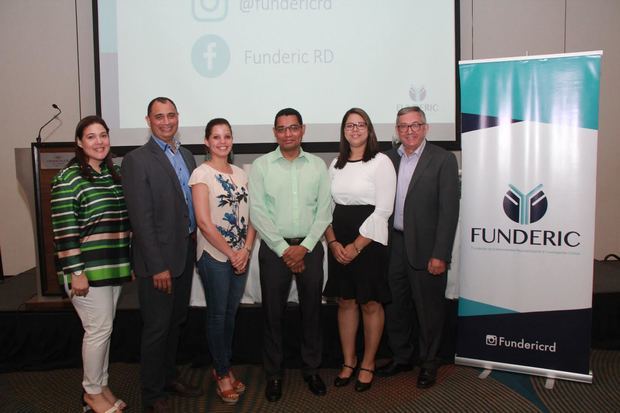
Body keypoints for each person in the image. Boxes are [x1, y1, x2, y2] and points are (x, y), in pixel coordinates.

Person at [121, 97, 202, 413]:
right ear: (148, 120)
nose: (166, 121)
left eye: (171, 115)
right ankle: (152, 395)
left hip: (184, 253)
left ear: (178, 117)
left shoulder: (187, 156)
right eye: (159, 117)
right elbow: (140, 220)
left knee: (175, 322)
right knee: (156, 328)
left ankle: (168, 378)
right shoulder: (137, 160)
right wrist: (157, 266)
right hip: (158, 263)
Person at [249, 108, 332, 402]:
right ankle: (274, 375)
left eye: (293, 128)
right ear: (275, 133)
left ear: (303, 130)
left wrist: (305, 246)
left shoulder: (318, 166)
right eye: (282, 129)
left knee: (312, 312)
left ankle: (311, 370)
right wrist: (285, 250)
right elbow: (257, 212)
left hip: (310, 249)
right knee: (273, 315)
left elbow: (325, 210)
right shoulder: (260, 166)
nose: (288, 134)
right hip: (275, 250)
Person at [51, 115, 131, 412]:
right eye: (91, 137)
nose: (99, 142)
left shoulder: (111, 174)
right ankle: (91, 392)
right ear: (79, 142)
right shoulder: (68, 179)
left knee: (105, 329)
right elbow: (64, 230)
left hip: (112, 267)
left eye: (103, 135)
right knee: (98, 329)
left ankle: (102, 385)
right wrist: (76, 272)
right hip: (86, 272)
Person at [376, 106, 460, 389]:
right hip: (394, 245)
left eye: (415, 125)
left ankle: (428, 362)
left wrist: (441, 254)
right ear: (397, 130)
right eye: (403, 126)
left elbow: (449, 213)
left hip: (427, 249)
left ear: (425, 128)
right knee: (395, 306)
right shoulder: (386, 159)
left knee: (429, 309)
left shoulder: (443, 159)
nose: (409, 131)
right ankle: (402, 357)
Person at [323, 108, 396, 392]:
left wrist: (356, 245)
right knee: (346, 300)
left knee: (370, 302)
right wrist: (333, 242)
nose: (355, 129)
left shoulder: (381, 162)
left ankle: (368, 362)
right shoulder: (335, 164)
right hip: (338, 239)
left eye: (360, 124)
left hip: (369, 241)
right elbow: (325, 209)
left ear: (369, 129)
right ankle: (348, 361)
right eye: (349, 125)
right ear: (343, 131)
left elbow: (384, 210)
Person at [189, 118, 256, 405]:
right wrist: (232, 254)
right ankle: (222, 373)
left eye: (227, 136)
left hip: (241, 256)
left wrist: (247, 250)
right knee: (217, 315)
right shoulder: (200, 174)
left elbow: (254, 216)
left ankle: (225, 366)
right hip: (215, 257)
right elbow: (204, 223)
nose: (222, 141)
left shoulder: (241, 174)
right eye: (216, 137)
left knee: (230, 314)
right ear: (206, 142)